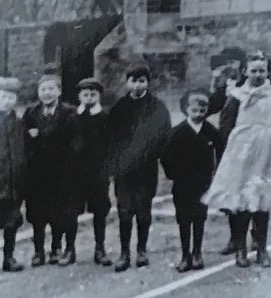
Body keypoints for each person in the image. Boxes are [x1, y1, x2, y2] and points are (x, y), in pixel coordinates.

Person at [203, 53, 271, 267]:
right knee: (241, 200)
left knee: (262, 198)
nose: (258, 74)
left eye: (262, 70)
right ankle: (241, 249)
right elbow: (226, 123)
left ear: (268, 72)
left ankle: (262, 249)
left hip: (267, 151)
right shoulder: (237, 95)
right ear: (245, 72)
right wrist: (230, 150)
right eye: (254, 70)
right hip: (241, 152)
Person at [105, 65, 172, 272]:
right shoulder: (120, 107)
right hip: (124, 170)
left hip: (146, 169)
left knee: (143, 211)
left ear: (147, 83)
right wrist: (114, 164)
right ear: (128, 83)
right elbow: (110, 139)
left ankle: (141, 250)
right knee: (125, 212)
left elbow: (164, 136)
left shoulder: (157, 107)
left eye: (142, 81)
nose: (137, 85)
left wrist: (153, 154)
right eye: (133, 81)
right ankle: (125, 253)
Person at [161, 89, 223, 272]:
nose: (198, 115)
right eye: (194, 110)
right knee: (183, 218)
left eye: (202, 112)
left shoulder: (211, 131)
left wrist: (215, 174)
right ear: (187, 109)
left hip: (203, 183)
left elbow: (221, 151)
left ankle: (197, 252)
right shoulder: (177, 132)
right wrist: (173, 174)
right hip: (182, 183)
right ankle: (185, 254)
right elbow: (165, 156)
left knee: (199, 217)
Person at [23, 73, 78, 268]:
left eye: (50, 89)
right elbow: (25, 142)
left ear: (59, 91)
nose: (47, 93)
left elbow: (74, 141)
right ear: (38, 92)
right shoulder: (31, 113)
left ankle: (57, 248)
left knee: (60, 212)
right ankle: (39, 251)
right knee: (38, 214)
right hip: (38, 174)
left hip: (62, 172)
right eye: (43, 89)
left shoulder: (69, 113)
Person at [73, 78, 113, 266]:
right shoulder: (72, 117)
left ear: (99, 96)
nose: (89, 98)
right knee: (71, 211)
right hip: (76, 172)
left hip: (98, 172)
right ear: (79, 96)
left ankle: (100, 248)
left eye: (93, 94)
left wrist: (107, 169)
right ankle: (69, 249)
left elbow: (111, 145)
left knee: (99, 210)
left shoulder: (105, 118)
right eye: (85, 94)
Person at [0, 77, 26, 273]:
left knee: (12, 222)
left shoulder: (17, 122)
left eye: (11, 97)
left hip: (14, 182)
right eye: (3, 96)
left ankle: (8, 258)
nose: (7, 101)